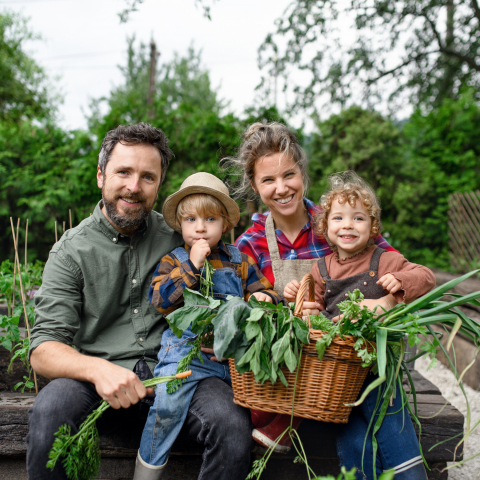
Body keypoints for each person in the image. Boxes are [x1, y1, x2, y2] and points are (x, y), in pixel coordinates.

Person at [26, 124, 253, 480]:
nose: (134, 187)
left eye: (147, 176)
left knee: (232, 421)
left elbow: (232, 284)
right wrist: (98, 370)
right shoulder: (71, 251)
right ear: (101, 175)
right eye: (123, 172)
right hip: (97, 383)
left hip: (180, 374)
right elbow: (42, 349)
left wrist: (223, 333)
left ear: (159, 185)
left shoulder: (183, 236)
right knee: (51, 408)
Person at [228, 122, 421, 478]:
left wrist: (390, 301)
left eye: (290, 174)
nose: (282, 188)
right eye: (268, 180)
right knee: (358, 425)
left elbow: (398, 268)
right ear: (254, 186)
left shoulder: (338, 221)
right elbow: (246, 318)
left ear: (303, 172)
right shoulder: (249, 245)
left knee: (372, 419)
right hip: (297, 384)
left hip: (356, 365)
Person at [283, 171, 435, 479]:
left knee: (393, 426)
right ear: (325, 227)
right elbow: (313, 308)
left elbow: (427, 277)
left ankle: (410, 475)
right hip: (339, 377)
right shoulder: (321, 268)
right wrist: (300, 303)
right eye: (338, 218)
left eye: (358, 218)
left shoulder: (385, 260)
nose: (348, 225)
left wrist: (399, 283)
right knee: (354, 438)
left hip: (378, 372)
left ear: (373, 226)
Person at [134, 172, 282, 478]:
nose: (200, 227)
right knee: (166, 409)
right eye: (191, 220)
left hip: (228, 361)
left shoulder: (239, 261)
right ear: (180, 225)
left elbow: (263, 291)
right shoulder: (174, 260)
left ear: (225, 225)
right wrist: (193, 266)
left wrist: (266, 299)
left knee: (246, 409)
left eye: (210, 220)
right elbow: (161, 300)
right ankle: (146, 472)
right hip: (183, 356)